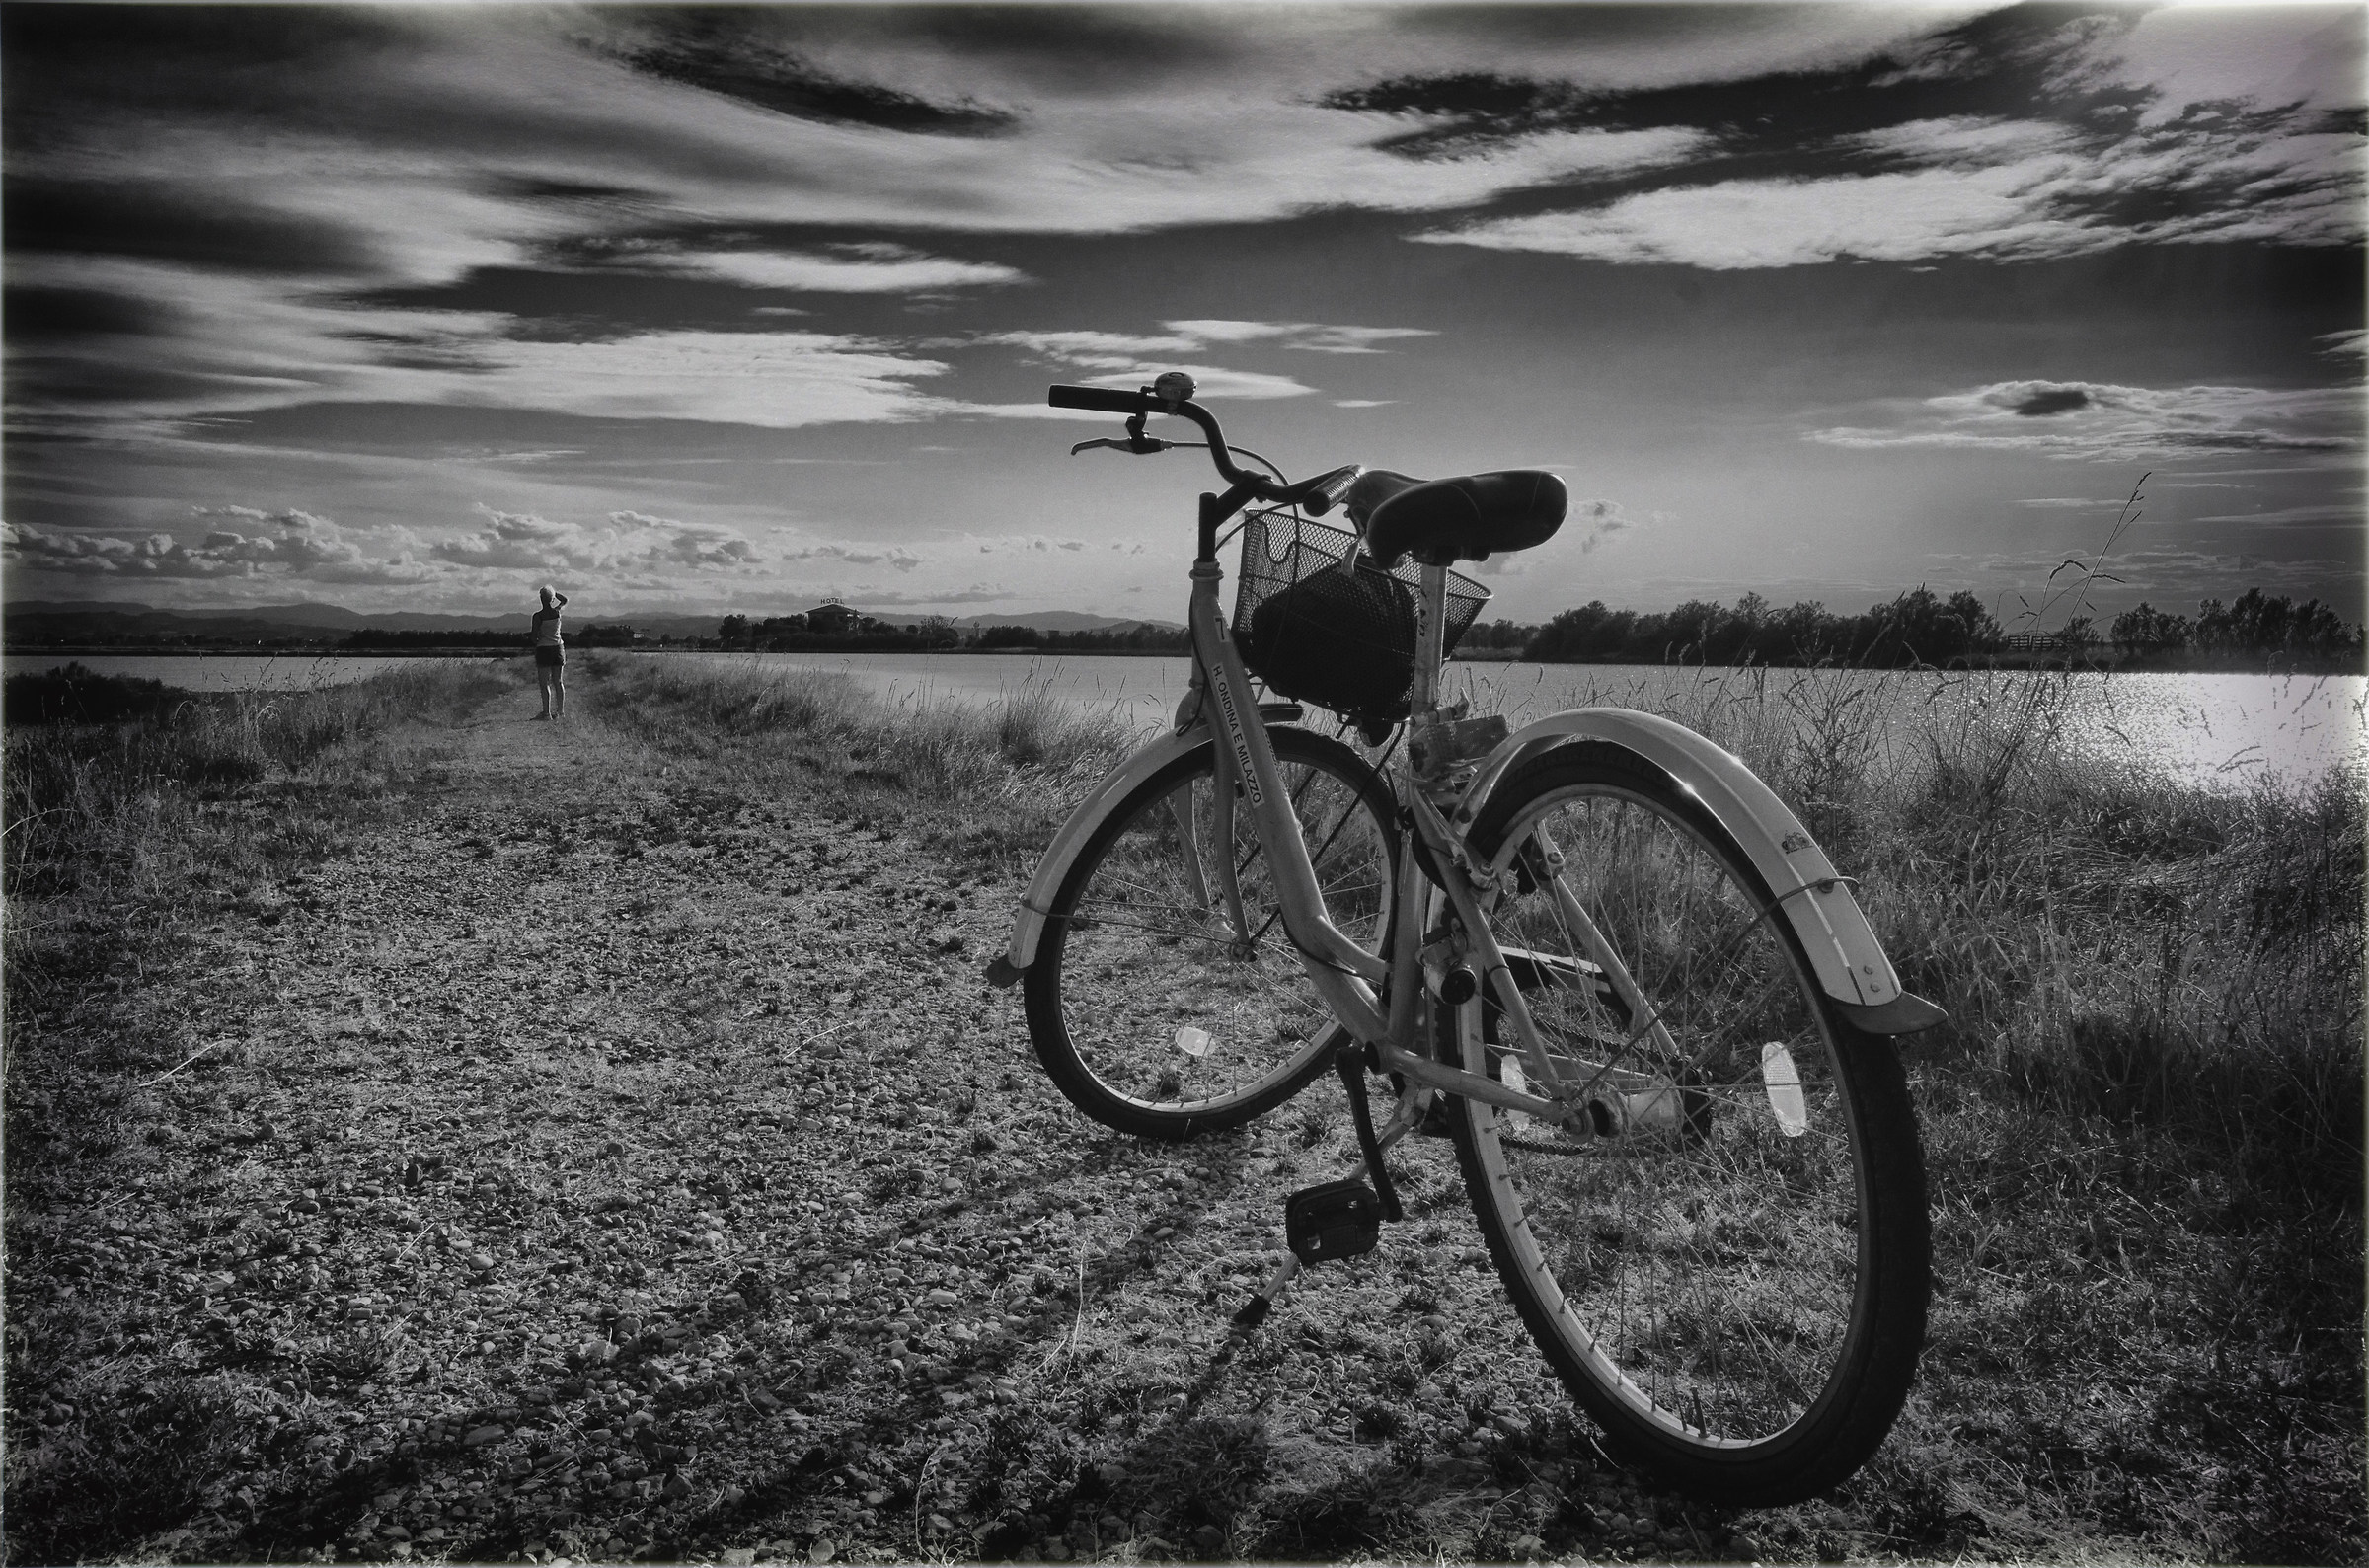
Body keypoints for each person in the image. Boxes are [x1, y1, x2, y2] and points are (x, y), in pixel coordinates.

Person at [530, 585, 568, 719]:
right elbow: (564, 600)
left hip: (543, 649)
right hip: (558, 648)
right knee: (558, 681)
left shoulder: (537, 616)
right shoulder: (557, 612)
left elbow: (534, 637)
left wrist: (536, 639)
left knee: (544, 682)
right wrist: (553, 594)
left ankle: (546, 713)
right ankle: (560, 712)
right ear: (552, 599)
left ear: (541, 599)